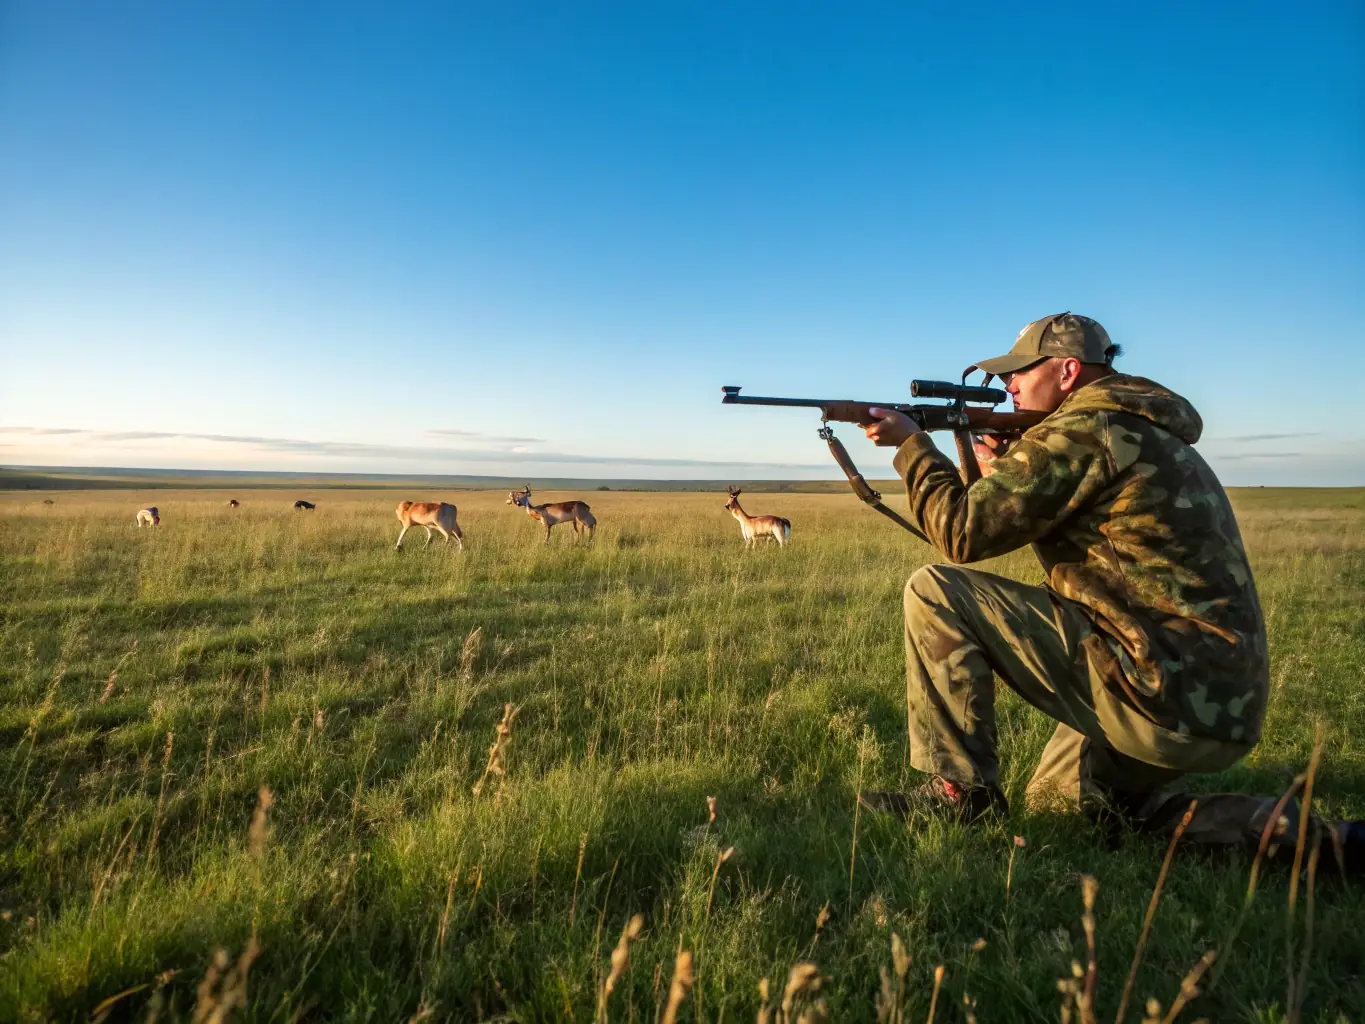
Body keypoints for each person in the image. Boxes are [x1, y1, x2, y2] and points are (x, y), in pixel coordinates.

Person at [855, 312, 1361, 871]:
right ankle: (1324, 843)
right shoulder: (1133, 428)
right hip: (1214, 705)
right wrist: (995, 465)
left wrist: (911, 447)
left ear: (1068, 370)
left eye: (1019, 372)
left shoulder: (1084, 430)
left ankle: (960, 796)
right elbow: (1018, 524)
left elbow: (962, 532)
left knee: (935, 592)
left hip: (1152, 683)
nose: (1009, 387)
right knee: (1062, 809)